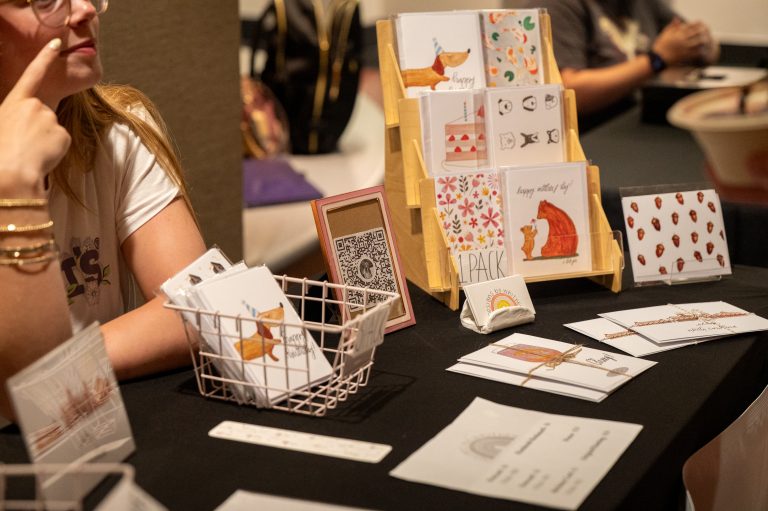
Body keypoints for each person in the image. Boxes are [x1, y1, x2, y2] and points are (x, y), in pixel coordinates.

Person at [0, 0, 206, 419]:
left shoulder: (116, 130)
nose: (86, 10)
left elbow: (201, 308)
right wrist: (14, 182)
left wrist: (57, 373)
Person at [527, 0, 720, 130]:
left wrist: (704, 44)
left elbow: (699, 48)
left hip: (636, 125)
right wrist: (655, 60)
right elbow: (568, 92)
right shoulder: (555, 5)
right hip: (593, 137)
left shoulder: (641, 3)